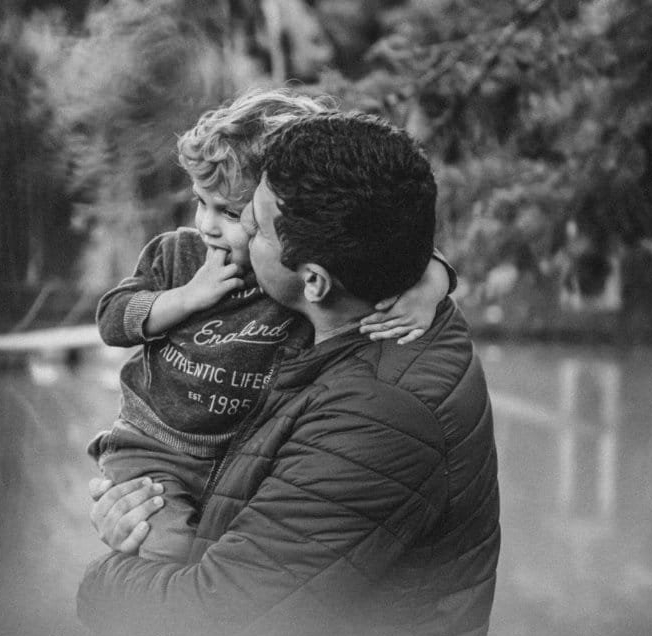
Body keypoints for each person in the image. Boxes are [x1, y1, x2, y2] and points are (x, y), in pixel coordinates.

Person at [79, 111, 500, 636]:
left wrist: (104, 577)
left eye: (253, 226)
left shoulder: (380, 416)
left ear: (314, 281)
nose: (223, 235)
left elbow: (205, 621)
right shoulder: (365, 296)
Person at [91, 90, 457, 563]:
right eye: (201, 202)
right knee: (170, 548)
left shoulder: (290, 278)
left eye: (231, 213)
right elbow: (112, 318)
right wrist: (186, 297)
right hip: (154, 446)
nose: (207, 225)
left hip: (236, 455)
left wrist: (429, 286)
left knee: (231, 554)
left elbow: (387, 248)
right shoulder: (179, 255)